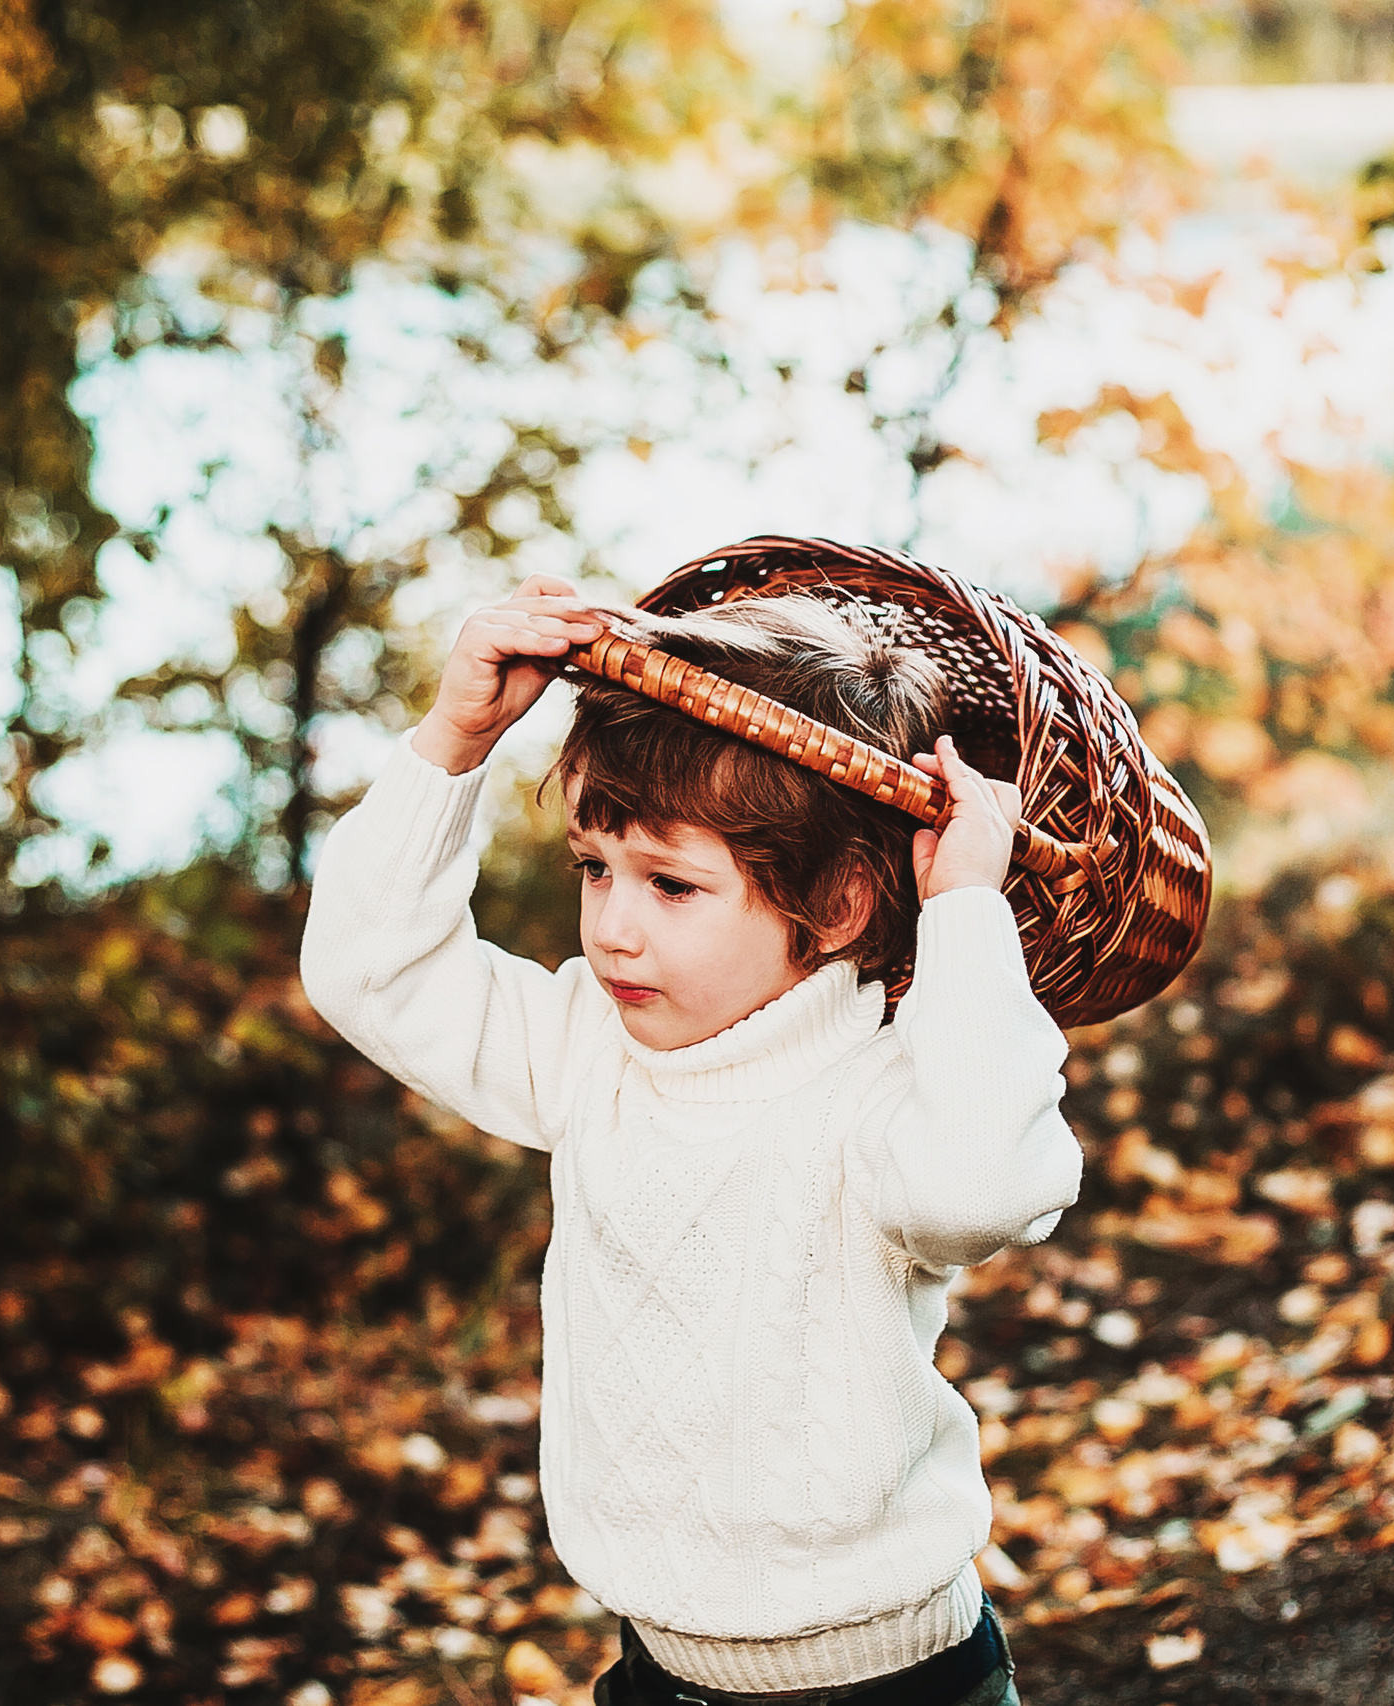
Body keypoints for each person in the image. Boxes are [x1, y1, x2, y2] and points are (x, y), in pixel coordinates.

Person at [300, 573, 1078, 1706]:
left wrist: (964, 905)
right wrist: (453, 736)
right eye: (596, 867)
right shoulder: (588, 1051)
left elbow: (981, 1187)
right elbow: (371, 970)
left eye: (672, 883)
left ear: (845, 903)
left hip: (895, 1684)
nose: (612, 925)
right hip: (658, 1674)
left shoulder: (879, 1093)